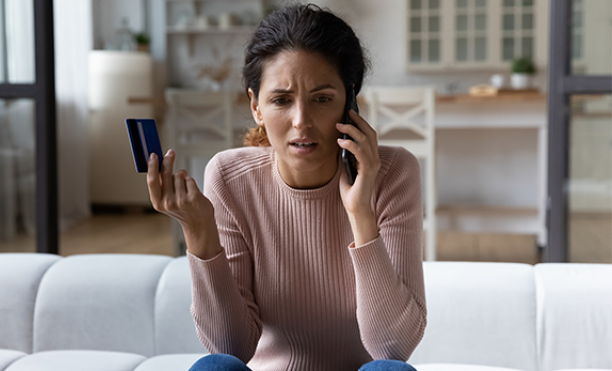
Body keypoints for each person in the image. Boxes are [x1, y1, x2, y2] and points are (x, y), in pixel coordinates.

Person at [147, 4, 426, 371]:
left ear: (350, 102)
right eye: (281, 100)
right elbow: (230, 346)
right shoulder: (230, 178)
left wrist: (361, 214)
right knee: (213, 367)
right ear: (256, 106)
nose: (301, 121)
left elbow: (393, 347)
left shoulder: (392, 173)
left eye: (322, 99)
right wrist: (200, 234)